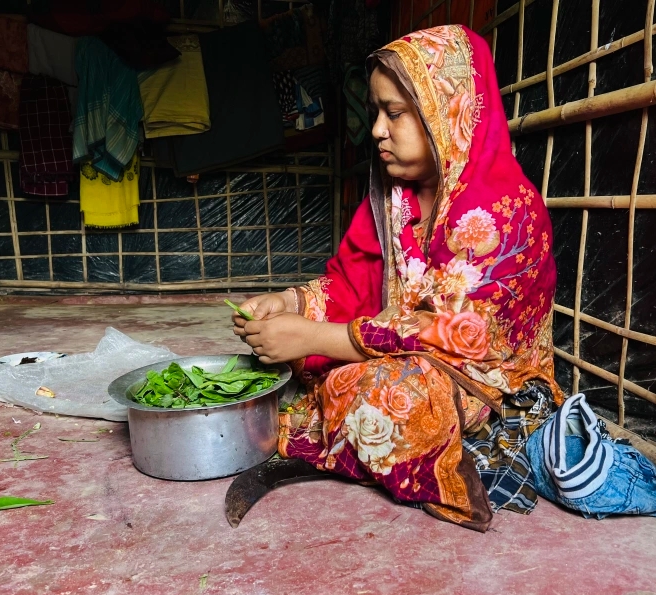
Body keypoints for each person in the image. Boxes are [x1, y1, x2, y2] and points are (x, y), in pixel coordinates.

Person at [232, 24, 562, 532]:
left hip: (485, 382)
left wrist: (316, 337)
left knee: (392, 395)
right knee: (336, 376)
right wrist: (290, 303)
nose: (378, 130)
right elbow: (350, 283)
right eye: (377, 112)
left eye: (396, 112)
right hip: (396, 352)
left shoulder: (499, 210)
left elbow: (451, 335)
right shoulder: (393, 197)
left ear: (447, 110)